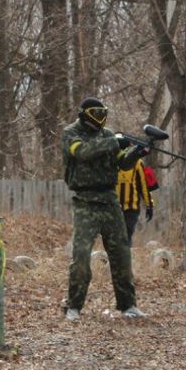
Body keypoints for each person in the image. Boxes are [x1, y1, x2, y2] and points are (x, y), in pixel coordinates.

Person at [62, 96, 147, 320]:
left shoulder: (108, 134)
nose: (100, 118)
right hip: (85, 201)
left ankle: (128, 305)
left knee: (121, 253)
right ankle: (73, 306)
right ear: (84, 114)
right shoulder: (71, 133)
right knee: (81, 255)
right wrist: (114, 143)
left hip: (110, 199)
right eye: (95, 113)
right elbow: (82, 153)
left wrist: (136, 154)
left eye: (102, 113)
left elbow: (121, 162)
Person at [116, 156, 156, 244]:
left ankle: (126, 255)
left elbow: (145, 185)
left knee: (126, 235)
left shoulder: (138, 162)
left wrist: (149, 206)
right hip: (114, 208)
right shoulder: (112, 160)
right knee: (115, 237)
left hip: (131, 207)